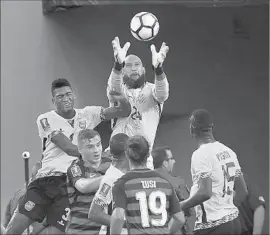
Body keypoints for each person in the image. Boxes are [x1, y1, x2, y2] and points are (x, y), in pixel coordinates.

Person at [5, 78, 131, 235]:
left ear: (74, 96)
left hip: (69, 183)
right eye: (60, 96)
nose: (65, 99)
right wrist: (99, 155)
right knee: (13, 230)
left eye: (68, 94)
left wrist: (118, 95)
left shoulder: (88, 114)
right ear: (53, 100)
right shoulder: (45, 119)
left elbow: (123, 111)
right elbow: (68, 148)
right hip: (45, 180)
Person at [180, 109, 248, 235]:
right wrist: (226, 208)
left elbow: (205, 192)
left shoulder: (200, 154)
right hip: (233, 221)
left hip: (213, 226)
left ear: (192, 128)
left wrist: (179, 206)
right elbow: (243, 192)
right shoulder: (228, 151)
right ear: (211, 127)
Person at [106, 36, 170, 169]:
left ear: (144, 69)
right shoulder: (119, 89)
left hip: (143, 160)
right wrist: (117, 65)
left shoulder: (152, 90)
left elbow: (162, 94)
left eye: (137, 65)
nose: (133, 69)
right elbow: (114, 89)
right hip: (117, 159)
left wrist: (158, 70)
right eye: (128, 66)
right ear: (123, 71)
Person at [110, 135, 186, 235]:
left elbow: (118, 217)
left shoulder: (123, 183)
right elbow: (180, 218)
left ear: (127, 155)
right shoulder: (164, 182)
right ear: (148, 154)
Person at [66, 129, 111, 235]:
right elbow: (83, 186)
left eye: (98, 145)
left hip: (104, 230)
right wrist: (110, 177)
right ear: (80, 149)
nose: (96, 150)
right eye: (90, 147)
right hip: (80, 230)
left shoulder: (111, 164)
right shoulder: (76, 167)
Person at [88, 133, 129, 235]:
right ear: (127, 152)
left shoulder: (125, 175)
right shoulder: (111, 179)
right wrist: (127, 224)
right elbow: (94, 213)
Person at [151, 146, 195, 234]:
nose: (174, 161)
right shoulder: (177, 182)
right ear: (165, 163)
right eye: (171, 158)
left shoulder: (142, 183)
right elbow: (191, 211)